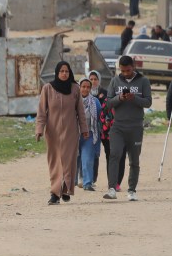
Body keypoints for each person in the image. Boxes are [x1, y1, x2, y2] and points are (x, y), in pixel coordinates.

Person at [35, 62, 89, 205]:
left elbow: (80, 112)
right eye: (62, 71)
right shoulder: (48, 89)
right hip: (53, 133)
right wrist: (39, 129)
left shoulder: (75, 88)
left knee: (69, 162)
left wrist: (84, 130)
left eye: (66, 71)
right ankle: (55, 193)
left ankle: (65, 189)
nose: (64, 73)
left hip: (71, 132)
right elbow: (41, 112)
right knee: (55, 162)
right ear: (57, 73)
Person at [103, 55, 153, 202]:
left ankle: (132, 190)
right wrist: (120, 98)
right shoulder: (115, 81)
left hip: (136, 126)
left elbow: (148, 102)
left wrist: (134, 98)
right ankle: (112, 188)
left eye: (128, 70)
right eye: (123, 70)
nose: (125, 73)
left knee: (134, 160)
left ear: (134, 67)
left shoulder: (143, 81)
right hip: (118, 126)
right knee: (115, 155)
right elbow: (108, 104)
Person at [90, 71, 124, 191]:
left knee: (111, 155)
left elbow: (106, 110)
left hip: (106, 131)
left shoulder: (106, 94)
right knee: (93, 155)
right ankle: (90, 179)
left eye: (95, 79)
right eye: (91, 79)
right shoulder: (85, 92)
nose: (93, 81)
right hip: (92, 130)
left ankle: (113, 182)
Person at [77, 78, 102, 192]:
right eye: (83, 86)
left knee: (87, 159)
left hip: (90, 134)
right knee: (73, 159)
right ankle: (71, 182)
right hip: (74, 134)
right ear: (79, 87)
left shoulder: (95, 102)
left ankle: (87, 183)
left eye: (88, 87)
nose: (85, 89)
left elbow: (99, 118)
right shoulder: (73, 100)